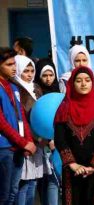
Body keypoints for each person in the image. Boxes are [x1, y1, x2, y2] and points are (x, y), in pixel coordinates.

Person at [54, 66, 94, 205]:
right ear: (72, 84)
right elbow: (60, 138)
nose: (83, 83)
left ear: (92, 83)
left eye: (87, 80)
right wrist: (72, 164)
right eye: (78, 80)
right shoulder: (63, 109)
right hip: (72, 169)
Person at [0, 47, 36, 205]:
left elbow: (22, 116)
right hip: (4, 148)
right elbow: (2, 123)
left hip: (18, 147)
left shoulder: (14, 87)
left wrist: (28, 141)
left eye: (14, 63)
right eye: (9, 64)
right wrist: (23, 142)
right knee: (4, 195)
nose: (14, 67)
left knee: (13, 192)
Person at [13, 55, 44, 205]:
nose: (30, 74)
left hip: (39, 141)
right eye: (26, 70)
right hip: (26, 140)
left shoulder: (36, 88)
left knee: (33, 182)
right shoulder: (16, 89)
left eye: (32, 70)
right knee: (23, 184)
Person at [34, 58, 60, 205]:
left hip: (57, 144)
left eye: (51, 75)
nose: (48, 79)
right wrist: (47, 139)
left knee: (53, 179)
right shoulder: (36, 94)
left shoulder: (59, 92)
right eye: (45, 75)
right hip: (41, 143)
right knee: (41, 182)